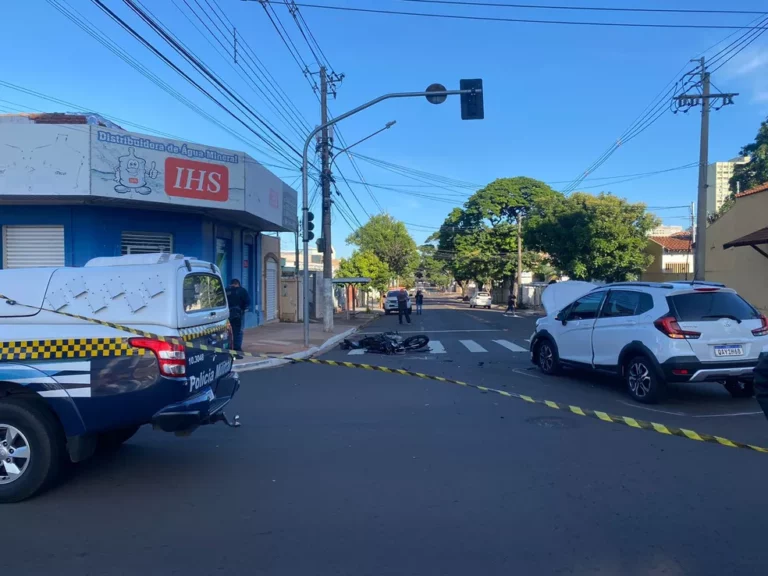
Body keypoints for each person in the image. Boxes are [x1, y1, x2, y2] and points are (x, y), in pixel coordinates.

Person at [226, 279, 250, 351]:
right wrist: (244, 309)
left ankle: (229, 347)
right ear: (238, 284)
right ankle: (237, 348)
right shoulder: (242, 290)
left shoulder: (226, 290)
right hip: (238, 314)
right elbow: (247, 302)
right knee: (238, 331)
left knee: (228, 331)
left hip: (227, 314)